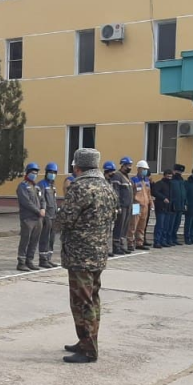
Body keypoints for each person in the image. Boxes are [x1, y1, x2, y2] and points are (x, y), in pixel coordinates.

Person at [56, 148, 117, 365]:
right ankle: (86, 340)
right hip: (98, 253)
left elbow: (65, 218)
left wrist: (56, 222)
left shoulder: (80, 187)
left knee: (82, 302)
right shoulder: (107, 187)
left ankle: (89, 349)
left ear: (78, 166)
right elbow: (114, 216)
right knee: (92, 299)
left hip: (80, 255)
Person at [16, 162, 44, 271]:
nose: (35, 174)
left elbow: (42, 200)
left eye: (36, 173)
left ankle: (30, 260)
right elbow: (26, 202)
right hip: (27, 218)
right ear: (27, 173)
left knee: (34, 241)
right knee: (25, 240)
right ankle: (21, 262)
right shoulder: (22, 186)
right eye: (33, 172)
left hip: (38, 219)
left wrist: (43, 208)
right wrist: (38, 211)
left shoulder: (36, 187)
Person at [37, 162, 59, 269]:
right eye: (50, 172)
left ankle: (49, 258)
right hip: (46, 216)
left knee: (52, 239)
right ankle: (43, 260)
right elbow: (41, 199)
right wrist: (43, 211)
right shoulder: (42, 185)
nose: (52, 174)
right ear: (46, 173)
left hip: (53, 215)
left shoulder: (52, 186)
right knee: (44, 238)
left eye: (54, 172)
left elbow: (54, 200)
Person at [111, 157, 135, 254]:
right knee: (119, 226)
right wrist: (118, 205)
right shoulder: (117, 176)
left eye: (130, 165)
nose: (129, 167)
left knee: (125, 227)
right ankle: (116, 246)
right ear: (123, 165)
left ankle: (121, 245)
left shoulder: (127, 177)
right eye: (128, 165)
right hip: (122, 206)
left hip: (128, 205)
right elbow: (116, 192)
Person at [132, 160, 153, 250]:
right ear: (139, 169)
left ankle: (139, 243)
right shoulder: (134, 180)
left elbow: (149, 193)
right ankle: (130, 243)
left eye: (146, 169)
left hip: (145, 205)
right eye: (143, 169)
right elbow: (131, 193)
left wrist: (151, 203)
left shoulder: (147, 180)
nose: (145, 171)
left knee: (142, 225)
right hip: (136, 205)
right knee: (133, 225)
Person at [151, 169, 174, 248]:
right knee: (160, 225)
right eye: (168, 176)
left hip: (168, 208)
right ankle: (157, 241)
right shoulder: (159, 183)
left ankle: (163, 240)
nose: (169, 178)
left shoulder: (171, 184)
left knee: (166, 226)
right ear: (164, 176)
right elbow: (154, 192)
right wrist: (163, 198)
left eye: (170, 176)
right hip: (160, 207)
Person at [170, 163, 188, 244]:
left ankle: (174, 238)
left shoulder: (182, 181)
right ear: (174, 171)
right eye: (177, 171)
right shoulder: (171, 181)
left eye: (180, 172)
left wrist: (185, 203)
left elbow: (184, 193)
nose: (179, 173)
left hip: (180, 205)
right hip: (173, 205)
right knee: (172, 224)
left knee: (177, 223)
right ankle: (169, 238)